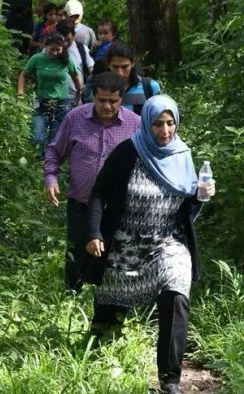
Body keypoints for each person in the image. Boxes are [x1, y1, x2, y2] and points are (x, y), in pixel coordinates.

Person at [83, 95, 216, 394]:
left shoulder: (182, 154)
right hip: (124, 245)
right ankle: (96, 356)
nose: (165, 131)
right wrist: (94, 233)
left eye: (170, 123)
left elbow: (187, 205)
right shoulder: (127, 152)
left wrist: (201, 195)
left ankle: (170, 379)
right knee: (108, 313)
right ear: (146, 123)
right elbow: (99, 193)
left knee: (176, 293)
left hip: (168, 242)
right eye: (158, 124)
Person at [44, 72, 141, 292]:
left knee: (115, 256)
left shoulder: (135, 125)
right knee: (76, 255)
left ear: (122, 98)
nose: (107, 106)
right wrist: (51, 178)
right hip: (80, 203)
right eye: (101, 100)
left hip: (117, 207)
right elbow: (54, 150)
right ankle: (71, 297)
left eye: (113, 101)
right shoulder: (75, 118)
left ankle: (110, 298)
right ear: (93, 96)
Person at [17, 32, 83, 147]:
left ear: (62, 48)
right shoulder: (37, 59)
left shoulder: (66, 60)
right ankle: (38, 156)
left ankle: (50, 158)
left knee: (55, 140)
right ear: (46, 46)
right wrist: (20, 92)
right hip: (41, 102)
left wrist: (79, 96)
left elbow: (76, 77)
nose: (55, 53)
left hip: (61, 104)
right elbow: (23, 75)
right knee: (38, 137)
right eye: (52, 49)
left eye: (58, 50)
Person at [106, 42, 161, 115]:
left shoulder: (150, 87)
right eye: (115, 67)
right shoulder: (98, 89)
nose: (120, 73)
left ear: (132, 63)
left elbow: (158, 116)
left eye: (124, 67)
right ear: (108, 65)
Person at [56, 18, 94, 109]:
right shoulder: (49, 51)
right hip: (54, 99)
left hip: (76, 99)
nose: (65, 44)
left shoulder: (82, 49)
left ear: (74, 35)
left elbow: (91, 69)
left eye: (68, 40)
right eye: (62, 40)